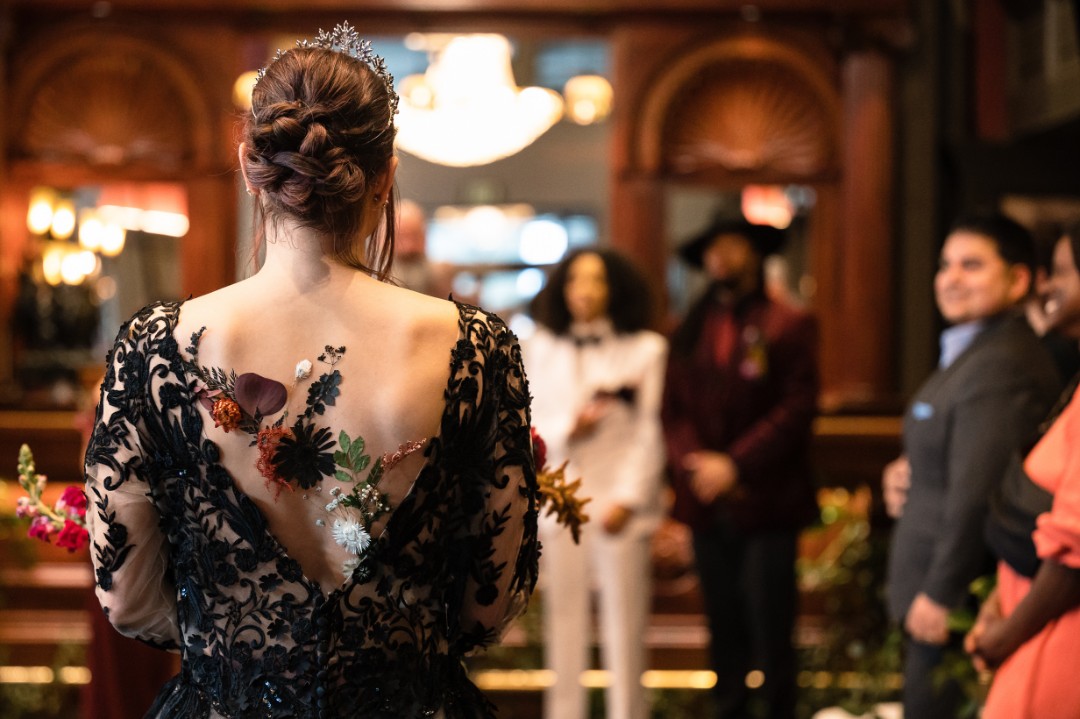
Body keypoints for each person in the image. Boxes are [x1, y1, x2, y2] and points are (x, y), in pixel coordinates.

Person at [83, 23, 540, 718]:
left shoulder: (155, 348)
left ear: (249, 169)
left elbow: (125, 599)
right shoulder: (475, 350)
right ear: (387, 175)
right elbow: (489, 602)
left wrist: (234, 647)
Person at [882, 211, 1061, 719]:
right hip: (935, 588)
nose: (951, 279)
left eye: (972, 265)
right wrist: (905, 469)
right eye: (945, 265)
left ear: (1019, 278)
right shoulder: (975, 349)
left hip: (955, 598)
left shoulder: (1002, 361)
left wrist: (941, 593)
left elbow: (975, 492)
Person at [662, 215, 818, 719]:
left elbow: (796, 409)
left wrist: (734, 465)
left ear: (754, 252)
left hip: (767, 500)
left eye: (730, 246)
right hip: (706, 500)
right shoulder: (689, 327)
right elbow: (673, 412)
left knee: (772, 632)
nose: (719, 257)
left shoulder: (788, 322)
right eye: (712, 249)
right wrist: (698, 466)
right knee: (722, 629)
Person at [524, 248, 667, 719]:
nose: (583, 290)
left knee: (624, 626)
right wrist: (571, 427)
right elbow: (530, 421)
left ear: (614, 288)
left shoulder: (645, 349)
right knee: (563, 623)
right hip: (560, 498)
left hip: (617, 502)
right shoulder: (539, 345)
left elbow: (649, 430)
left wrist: (629, 498)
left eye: (596, 280)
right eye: (575, 280)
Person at [965, 224, 1080, 718]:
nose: (1046, 286)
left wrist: (1002, 638)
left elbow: (1075, 554)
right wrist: (997, 606)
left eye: (1060, 273)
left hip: (1058, 646)